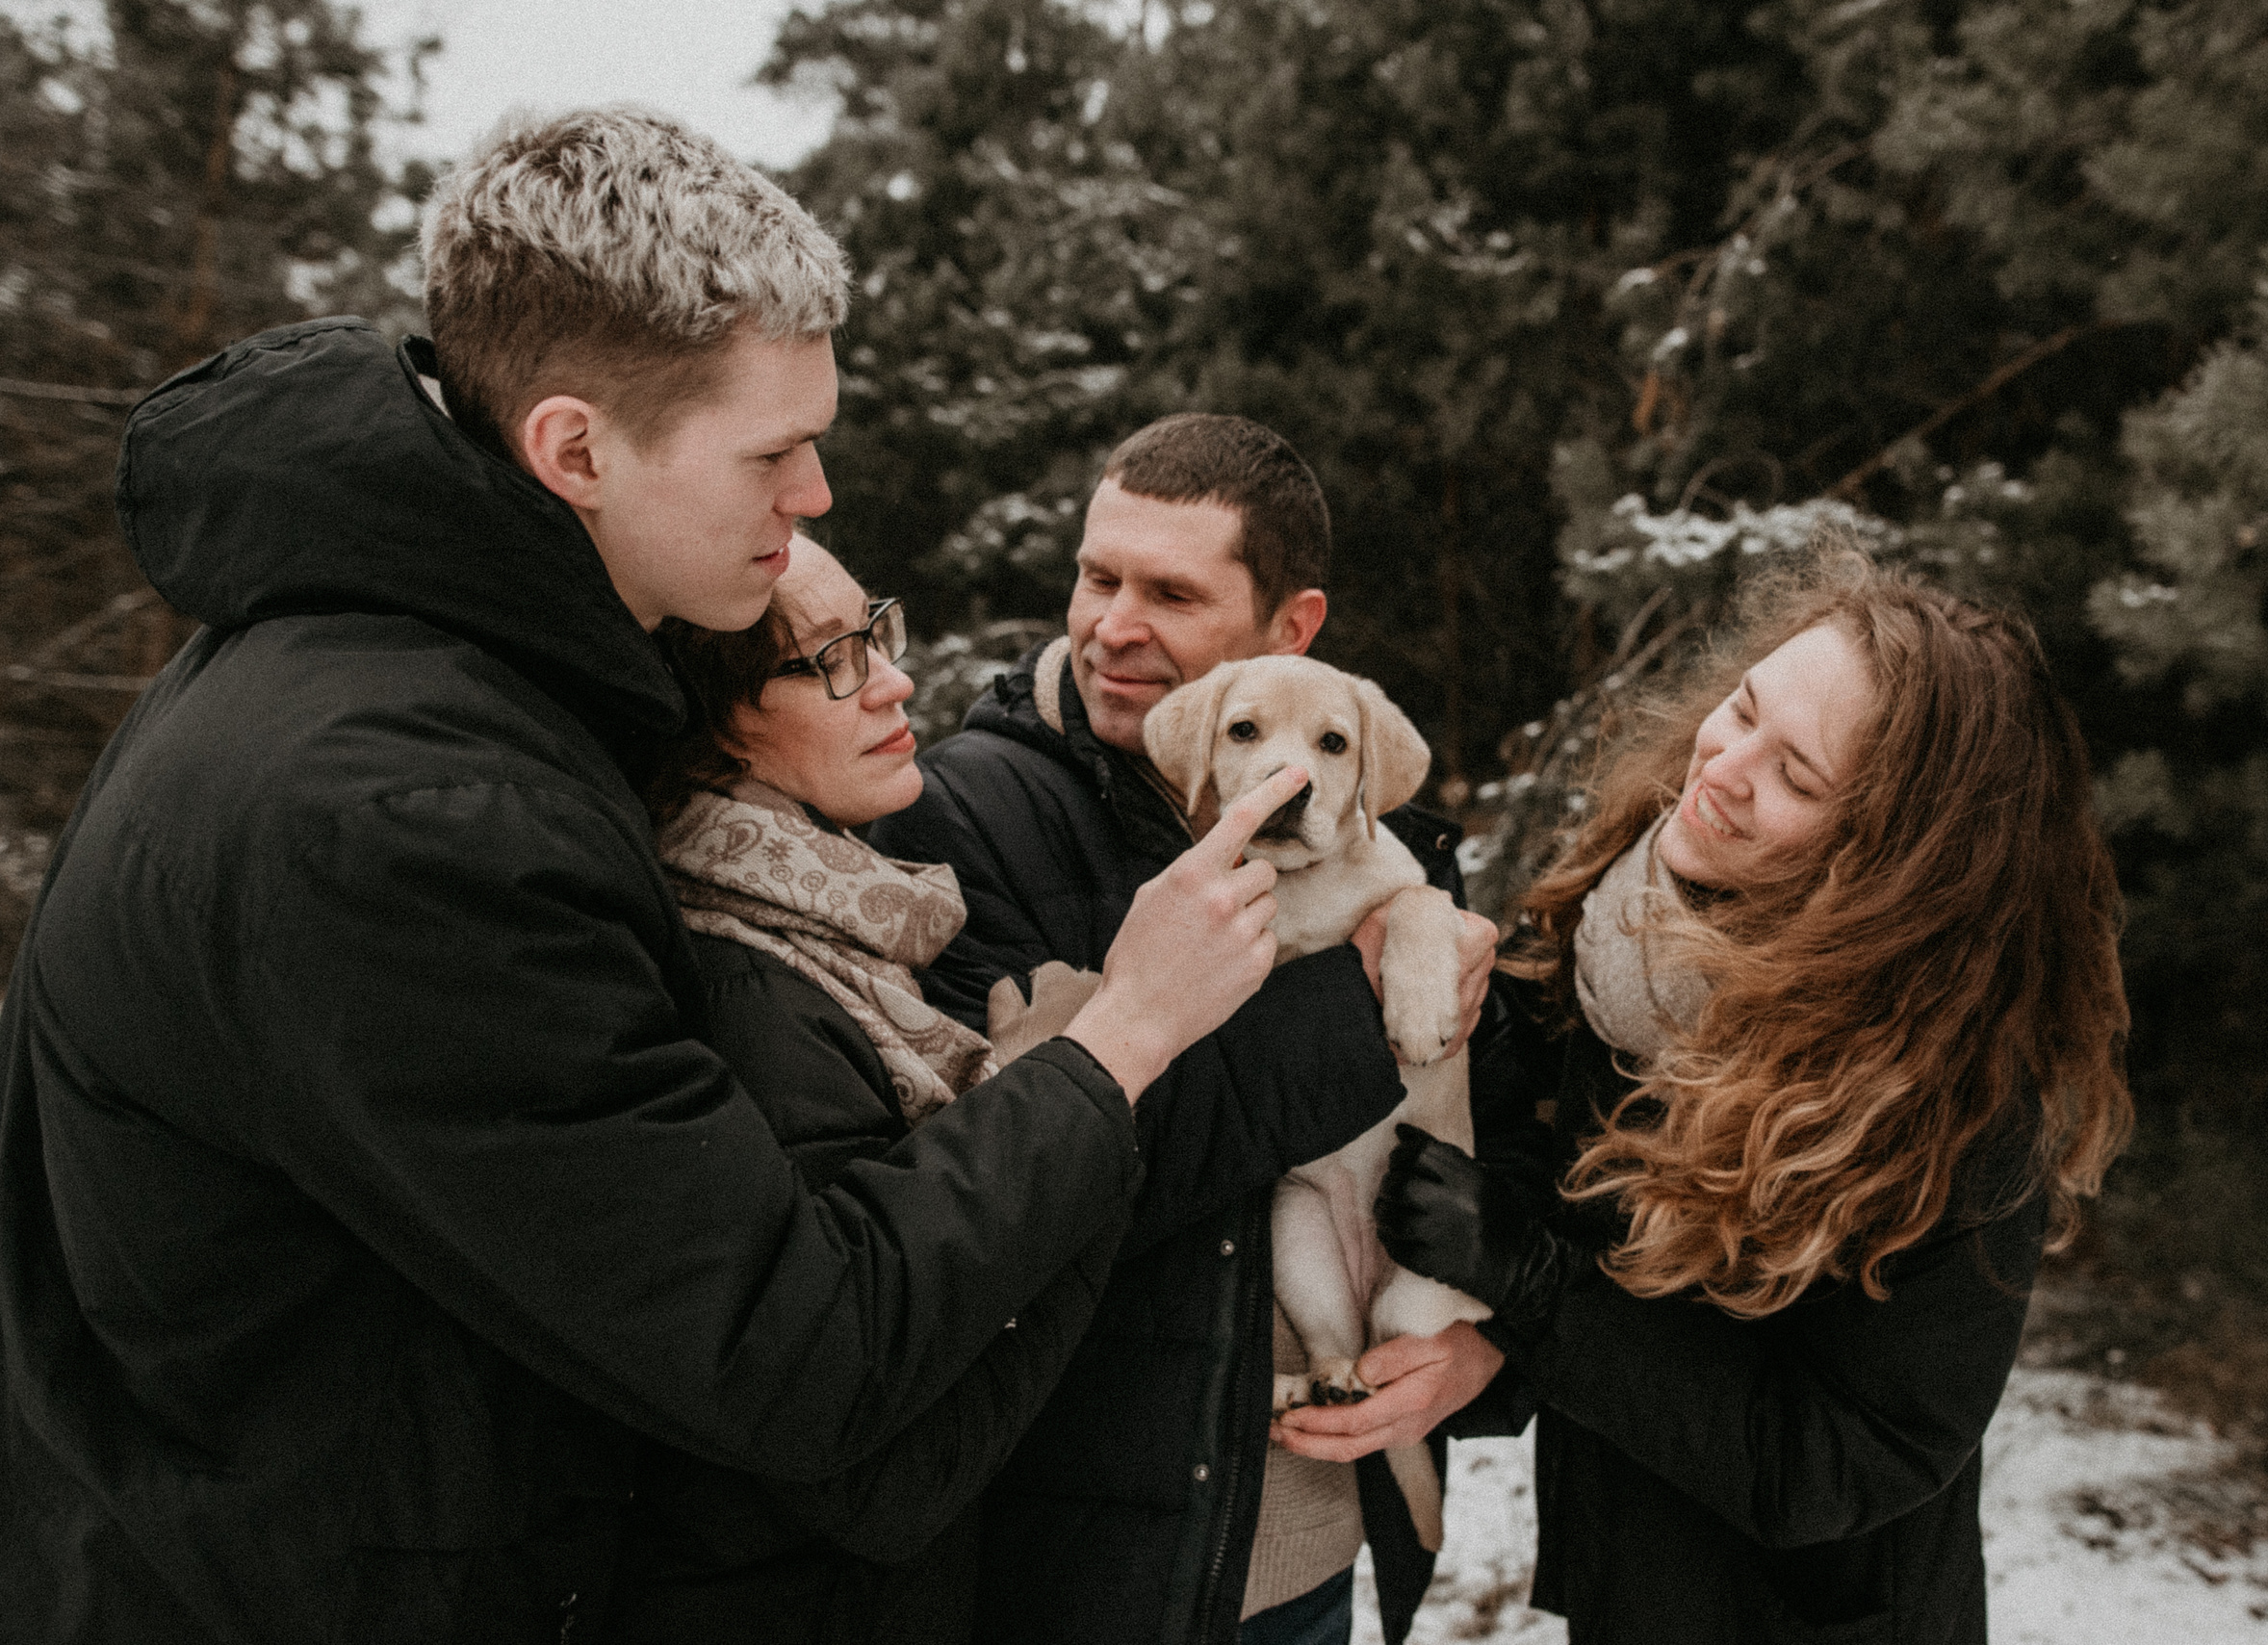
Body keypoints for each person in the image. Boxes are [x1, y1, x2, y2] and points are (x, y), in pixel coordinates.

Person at [0, 110, 1293, 1645]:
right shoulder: (415, 817)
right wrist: (1124, 1033)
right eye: (771, 452)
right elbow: (793, 1351)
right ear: (573, 448)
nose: (813, 495)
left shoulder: (391, 658)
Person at [1374, 546, 2135, 1645]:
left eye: (1798, 775)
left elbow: (1838, 1454)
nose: (1722, 766)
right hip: (1637, 1587)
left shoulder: (1955, 1105)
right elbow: (1567, 1190)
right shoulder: (1632, 930)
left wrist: (1533, 1289)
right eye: (1741, 709)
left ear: (1893, 862)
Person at [868, 413, 1513, 1645]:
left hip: (1302, 1554)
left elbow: (1491, 1128)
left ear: (1292, 627)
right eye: (1097, 577)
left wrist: (1489, 1356)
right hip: (1075, 1573)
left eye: (1169, 592)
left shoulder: (1392, 840)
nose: (1113, 624)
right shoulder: (963, 819)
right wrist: (1351, 1008)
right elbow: (1027, 1190)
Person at [606, 535, 1132, 1643]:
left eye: (876, 628)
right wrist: (1076, 1091)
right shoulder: (742, 983)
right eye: (829, 658)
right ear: (712, 721)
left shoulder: (841, 926)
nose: (891, 676)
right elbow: (880, 1472)